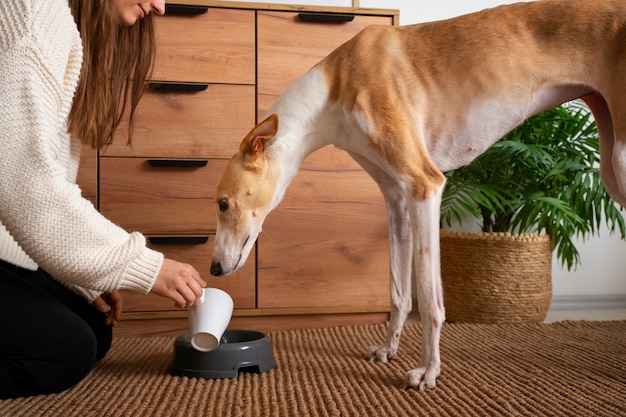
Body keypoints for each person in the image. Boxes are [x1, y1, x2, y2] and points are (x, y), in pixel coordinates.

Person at [0, 0, 207, 398]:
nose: (162, 6)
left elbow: (36, 182)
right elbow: (23, 181)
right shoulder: (33, 11)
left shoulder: (60, 20)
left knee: (93, 326)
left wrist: (82, 272)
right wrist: (140, 265)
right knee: (64, 351)